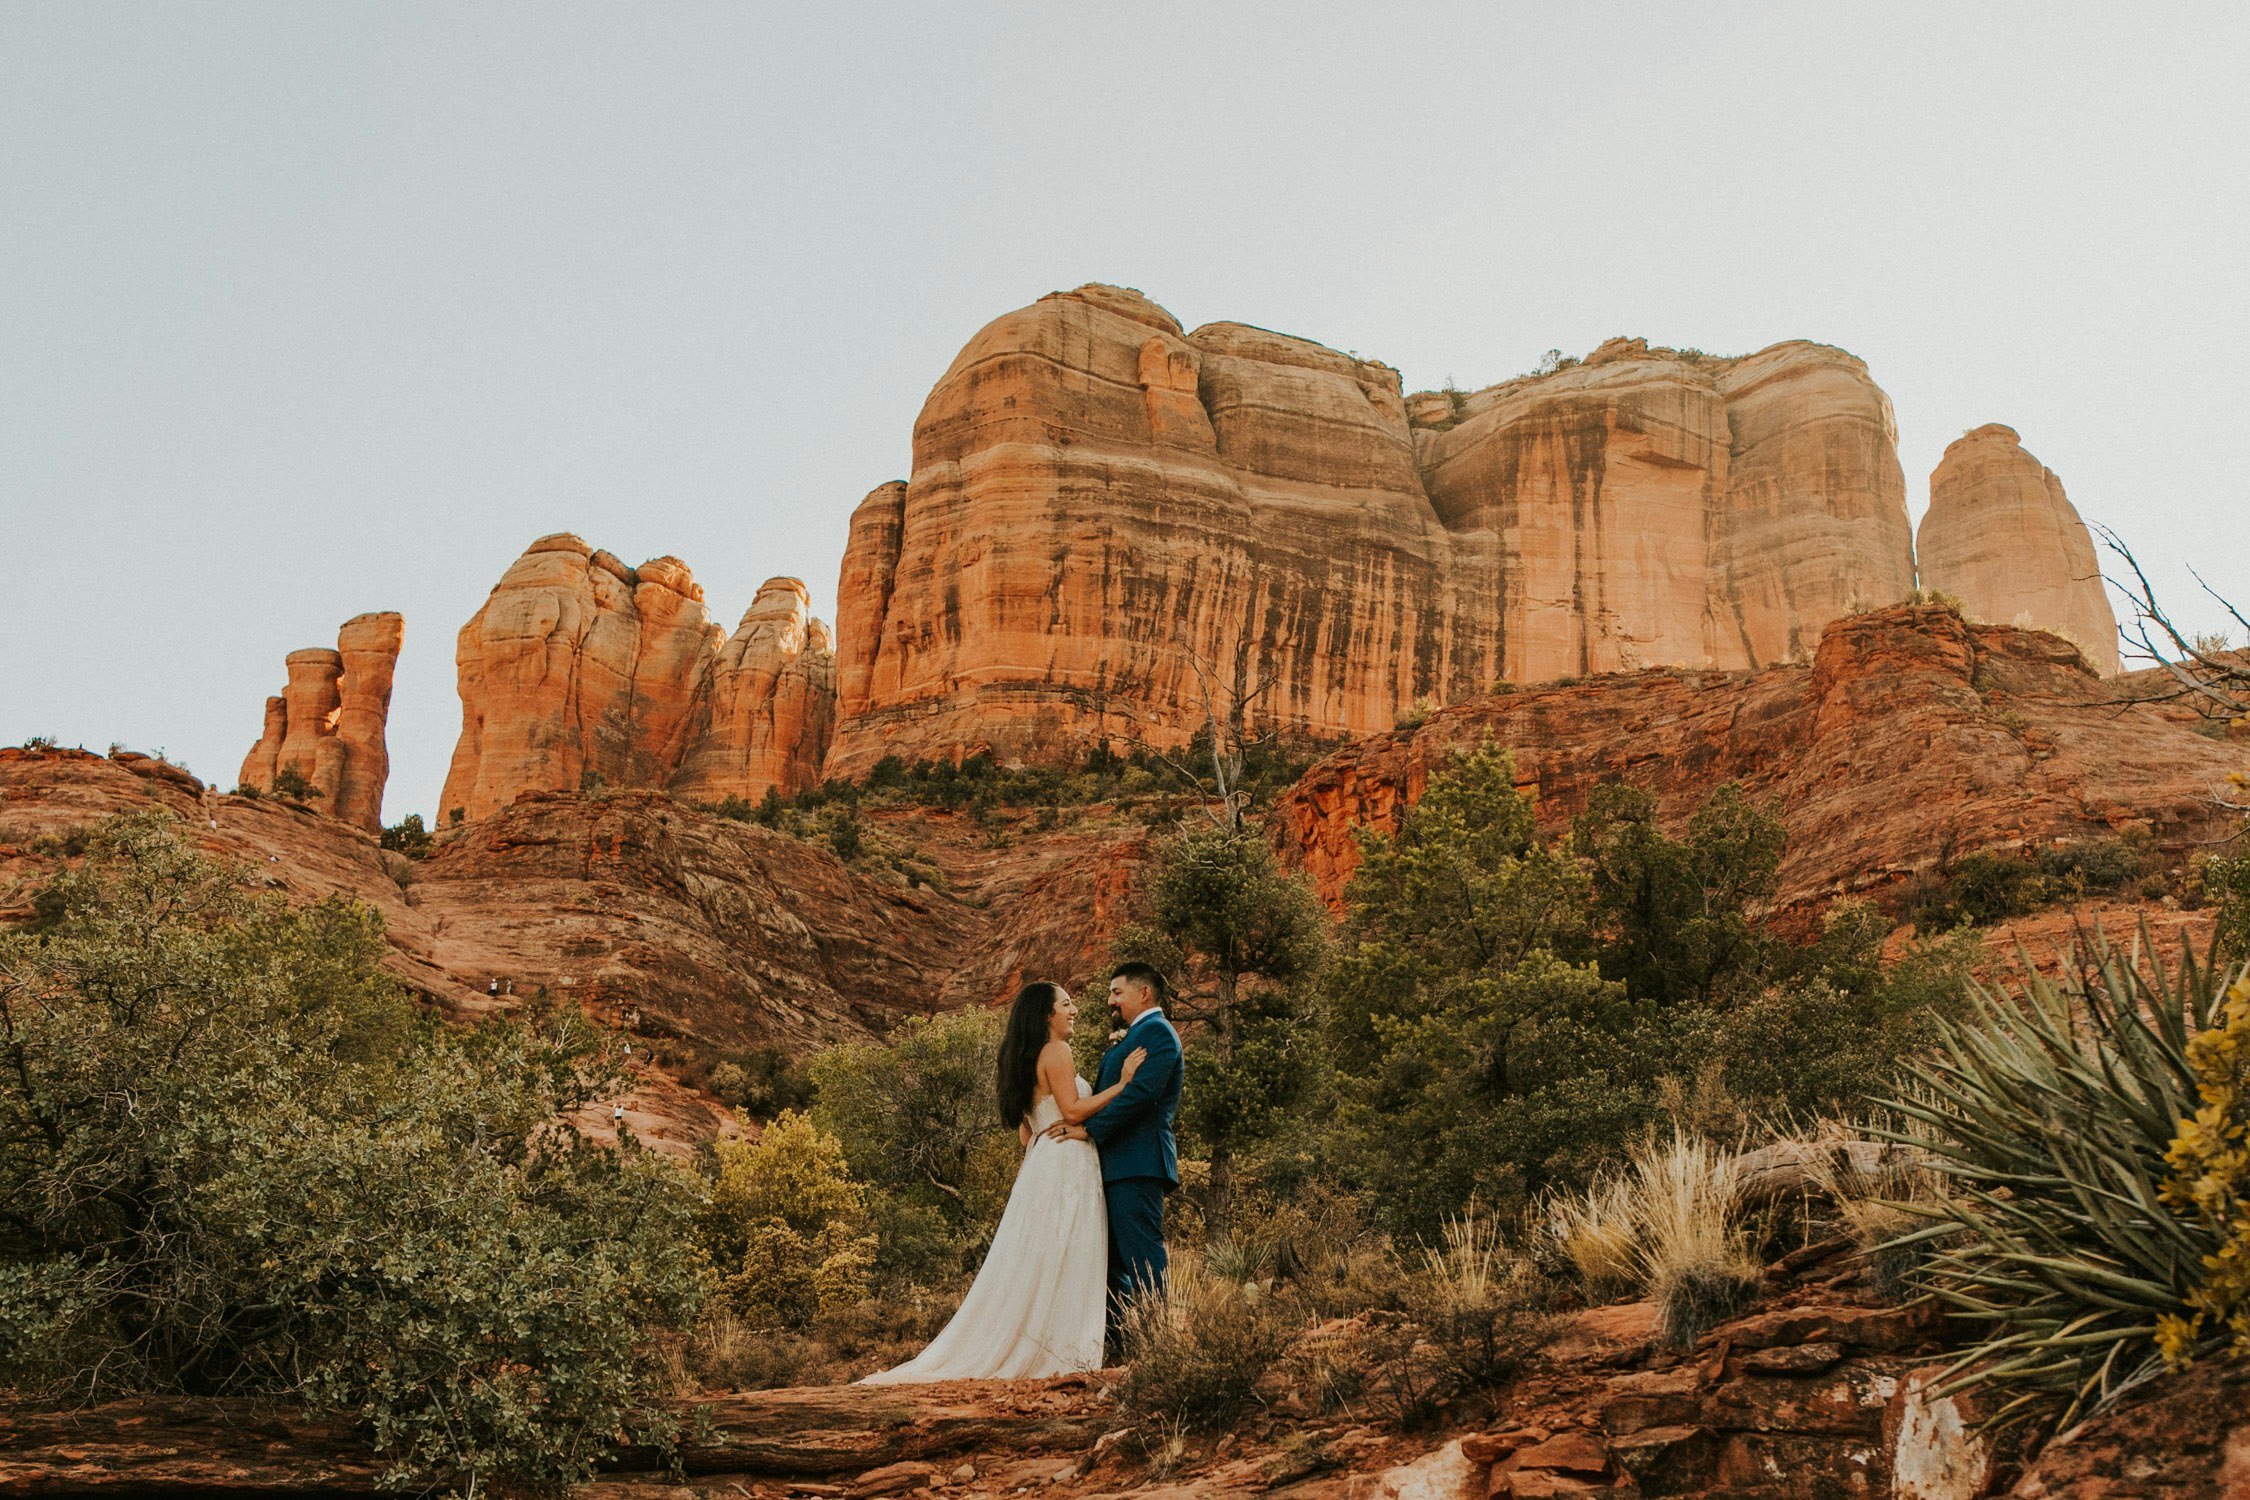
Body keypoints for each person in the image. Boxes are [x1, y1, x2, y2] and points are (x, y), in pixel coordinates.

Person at [861, 981, 1147, 1382]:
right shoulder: (1057, 1051)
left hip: (1041, 1163)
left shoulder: (1021, 1059)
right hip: (1067, 1163)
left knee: (1038, 1254)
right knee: (1069, 1250)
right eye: (1066, 1004)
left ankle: (1034, 1338)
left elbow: (1026, 1134)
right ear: (1047, 1014)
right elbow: (1074, 1111)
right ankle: (1062, 1347)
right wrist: (1124, 1083)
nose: (1074, 1010)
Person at [1063, 961, 1182, 1336]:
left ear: (1143, 993)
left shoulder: (1158, 1033)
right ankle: (1114, 1339)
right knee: (1112, 1260)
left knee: (1143, 1254)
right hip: (1116, 1164)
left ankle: (1159, 1338)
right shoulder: (1134, 1034)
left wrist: (1091, 1130)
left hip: (1138, 1162)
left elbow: (1142, 1095)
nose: (1110, 1001)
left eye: (1117, 992)